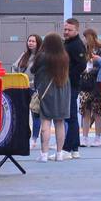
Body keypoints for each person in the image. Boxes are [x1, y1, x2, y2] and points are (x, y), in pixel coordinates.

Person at [32, 33, 72, 162]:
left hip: (47, 91)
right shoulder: (64, 57)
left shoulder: (43, 56)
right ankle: (59, 154)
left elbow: (33, 70)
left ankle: (44, 154)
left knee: (46, 122)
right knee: (60, 122)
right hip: (63, 91)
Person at [61, 19, 86, 159]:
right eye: (65, 29)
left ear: (76, 30)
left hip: (71, 84)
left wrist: (67, 76)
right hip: (68, 83)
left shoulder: (76, 45)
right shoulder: (68, 43)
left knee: (70, 116)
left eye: (69, 30)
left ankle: (67, 148)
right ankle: (74, 148)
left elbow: (81, 65)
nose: (66, 32)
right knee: (71, 117)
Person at [14, 33, 42, 149]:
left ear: (38, 43)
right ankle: (26, 136)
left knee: (35, 114)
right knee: (23, 114)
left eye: (33, 41)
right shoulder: (24, 55)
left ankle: (34, 139)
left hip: (35, 89)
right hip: (23, 87)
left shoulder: (40, 56)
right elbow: (15, 67)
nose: (30, 43)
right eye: (29, 41)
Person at [79, 29, 101, 146]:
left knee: (97, 112)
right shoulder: (83, 50)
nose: (84, 39)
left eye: (85, 37)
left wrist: (90, 70)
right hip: (84, 84)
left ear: (90, 37)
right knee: (85, 111)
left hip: (96, 84)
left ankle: (97, 137)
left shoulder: (100, 50)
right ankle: (84, 137)